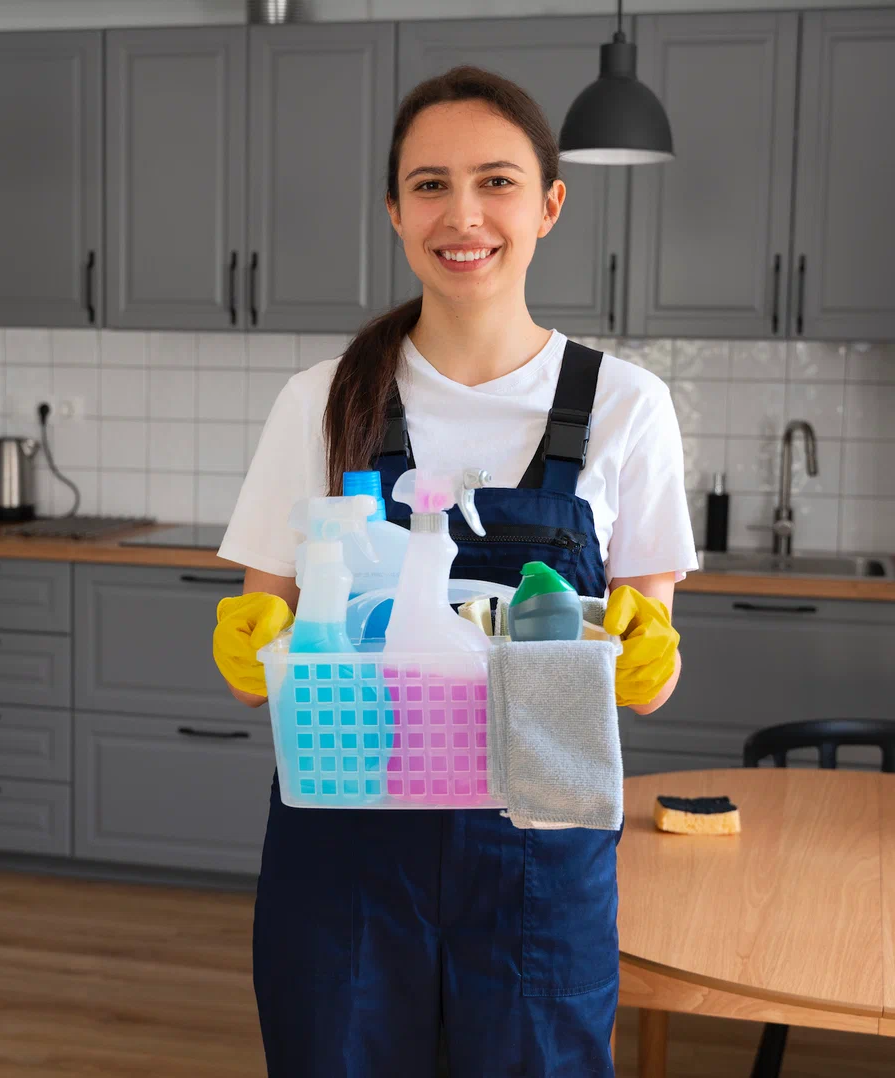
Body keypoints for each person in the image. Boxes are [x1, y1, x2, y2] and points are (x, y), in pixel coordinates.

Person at [212, 65, 696, 1077]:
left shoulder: (626, 405)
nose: (462, 215)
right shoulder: (322, 400)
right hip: (346, 841)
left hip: (543, 846)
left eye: (496, 182)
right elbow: (265, 640)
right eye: (429, 184)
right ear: (395, 210)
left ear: (549, 205)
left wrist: (650, 651)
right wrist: (251, 641)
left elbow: (645, 664)